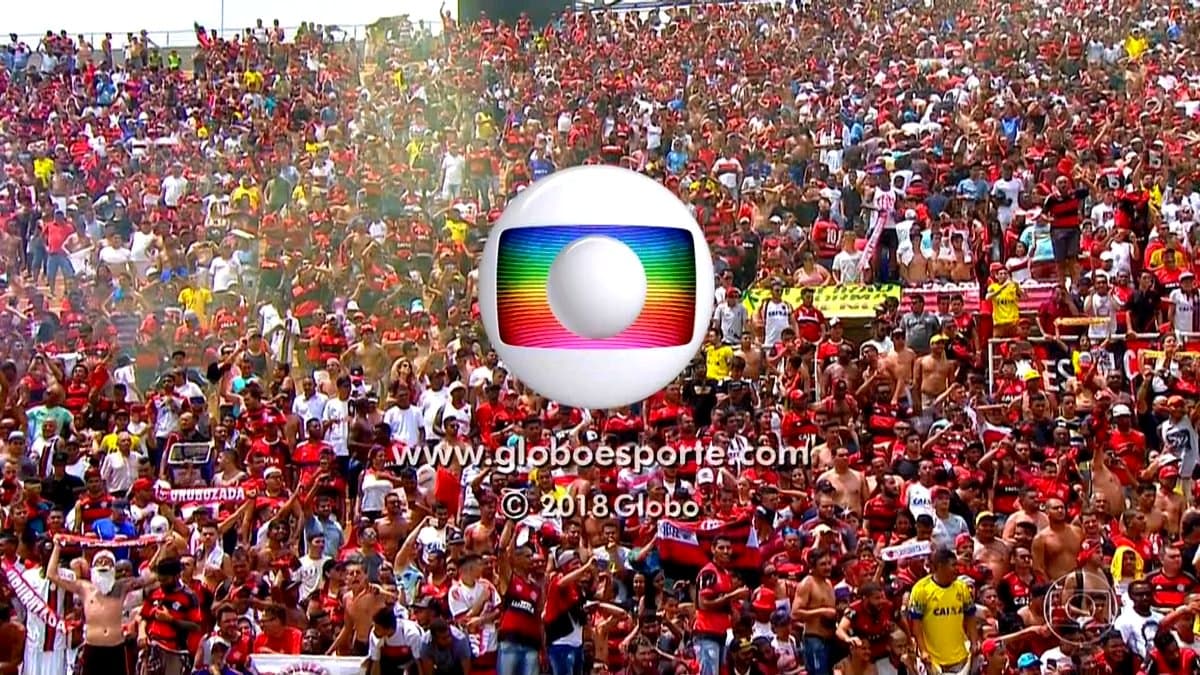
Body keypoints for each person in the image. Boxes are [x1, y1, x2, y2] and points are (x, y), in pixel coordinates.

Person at [47, 541, 154, 675]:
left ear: (114, 568)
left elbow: (152, 577)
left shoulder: (122, 586)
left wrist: (163, 548)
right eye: (100, 562)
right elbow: (52, 575)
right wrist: (57, 547)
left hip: (116, 649)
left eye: (107, 562)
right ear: (93, 567)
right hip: (92, 649)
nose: (103, 565)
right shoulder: (84, 588)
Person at [907, 549, 979, 674]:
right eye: (953, 565)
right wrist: (923, 650)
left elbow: (971, 617)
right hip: (933, 660)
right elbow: (916, 624)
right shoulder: (921, 589)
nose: (957, 569)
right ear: (940, 566)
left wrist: (974, 641)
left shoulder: (961, 588)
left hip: (960, 658)